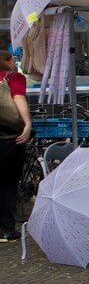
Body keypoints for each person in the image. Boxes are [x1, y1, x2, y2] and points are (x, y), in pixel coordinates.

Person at [0, 51, 31, 242]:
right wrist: (27, 123)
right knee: (8, 184)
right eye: (12, 59)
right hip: (8, 139)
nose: (15, 62)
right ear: (5, 62)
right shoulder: (13, 77)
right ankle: (7, 229)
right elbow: (18, 98)